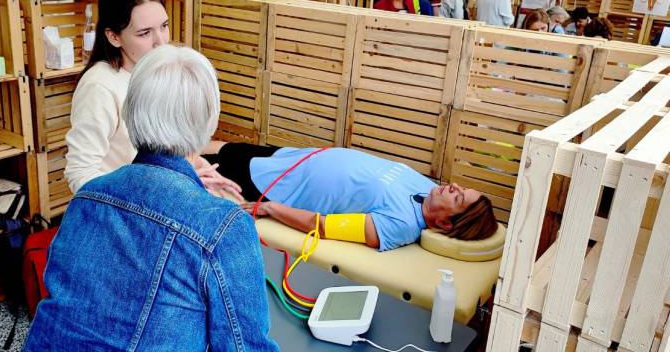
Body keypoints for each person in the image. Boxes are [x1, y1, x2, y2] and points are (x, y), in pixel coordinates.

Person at [25, 46, 279, 351]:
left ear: (130, 112)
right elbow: (244, 347)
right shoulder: (223, 226)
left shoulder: (87, 198)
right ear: (210, 120)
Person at [64, 0, 241, 199]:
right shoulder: (100, 86)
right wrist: (141, 196)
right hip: (130, 210)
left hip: (165, 194)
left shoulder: (158, 72)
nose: (160, 41)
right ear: (113, 37)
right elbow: (80, 173)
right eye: (145, 33)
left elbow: (170, 148)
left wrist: (199, 168)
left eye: (164, 26)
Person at [202, 143, 499, 251]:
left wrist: (270, 208)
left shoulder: (400, 225)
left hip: (277, 185)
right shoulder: (427, 188)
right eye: (462, 188)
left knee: (200, 162)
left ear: (446, 225)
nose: (455, 188)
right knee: (224, 147)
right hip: (294, 158)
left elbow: (325, 226)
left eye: (460, 199)